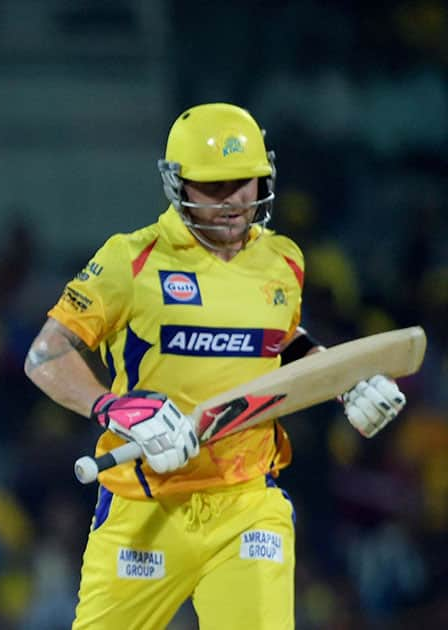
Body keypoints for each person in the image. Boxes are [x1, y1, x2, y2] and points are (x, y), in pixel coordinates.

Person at [24, 102, 406, 629]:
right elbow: (45, 355)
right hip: (146, 505)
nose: (232, 202)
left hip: (247, 504)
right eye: (213, 187)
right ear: (177, 183)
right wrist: (114, 408)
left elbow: (279, 341)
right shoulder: (130, 260)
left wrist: (343, 380)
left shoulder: (283, 260)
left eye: (243, 183)